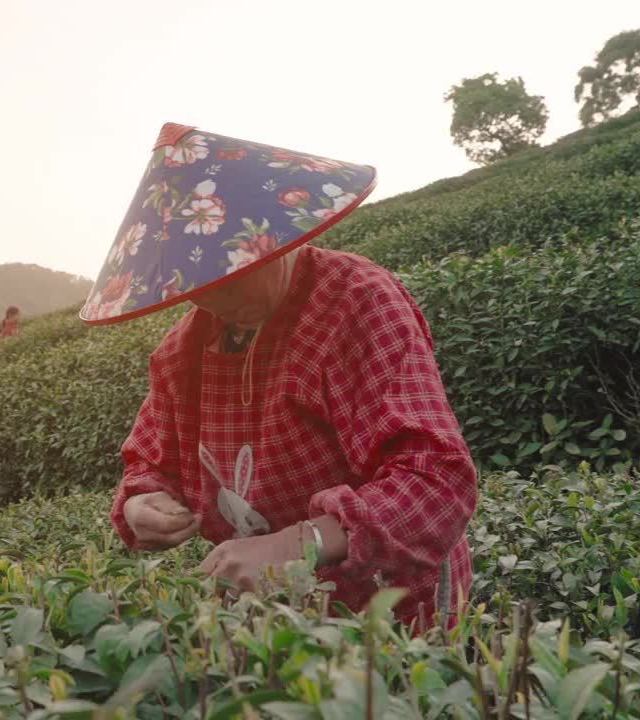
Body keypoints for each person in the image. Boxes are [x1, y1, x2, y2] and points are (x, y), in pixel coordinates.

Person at [79, 123, 477, 630]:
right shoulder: (181, 353)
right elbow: (149, 462)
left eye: (237, 268)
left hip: (391, 609)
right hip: (271, 623)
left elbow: (436, 482)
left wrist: (300, 544)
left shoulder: (356, 302)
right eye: (199, 285)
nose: (219, 297)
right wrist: (142, 504)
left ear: (272, 234)